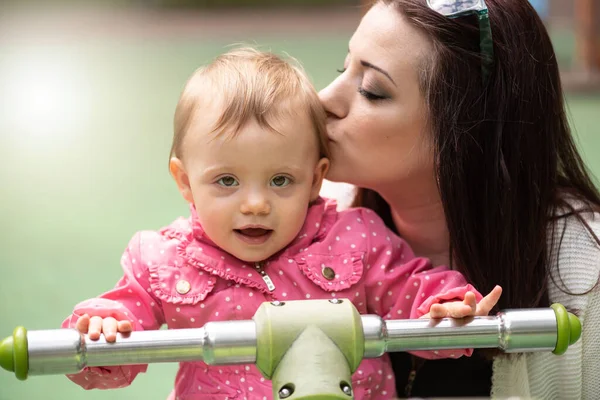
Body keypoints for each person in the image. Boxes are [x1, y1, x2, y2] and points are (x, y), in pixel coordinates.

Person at [61, 47, 501, 400]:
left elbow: (410, 288)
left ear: (315, 179)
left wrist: (443, 306)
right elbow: (122, 327)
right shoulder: (164, 261)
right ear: (185, 181)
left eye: (280, 180)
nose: (255, 204)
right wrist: (102, 328)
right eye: (227, 181)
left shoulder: (354, 238)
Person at [318, 0, 600, 398]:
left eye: (371, 90)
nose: (323, 99)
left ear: (467, 133)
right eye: (342, 68)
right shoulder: (302, 218)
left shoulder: (588, 276)